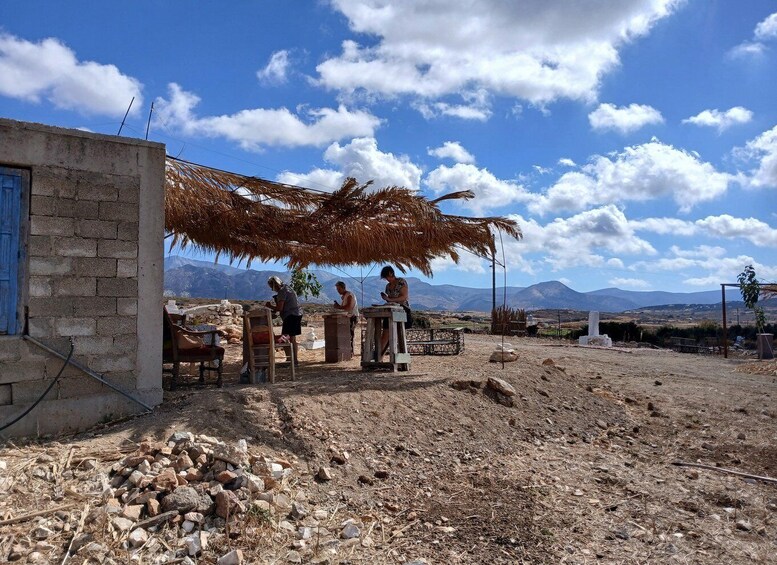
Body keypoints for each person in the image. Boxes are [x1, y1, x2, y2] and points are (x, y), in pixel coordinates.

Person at [266, 276, 302, 366]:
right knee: (292, 338)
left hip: (290, 316)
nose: (272, 289)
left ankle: (290, 360)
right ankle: (294, 361)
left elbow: (280, 308)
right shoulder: (288, 288)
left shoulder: (282, 291)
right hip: (297, 314)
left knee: (285, 338)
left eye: (271, 287)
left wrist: (270, 306)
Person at [379, 265, 412, 355]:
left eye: (387, 276)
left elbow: (404, 297)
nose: (387, 279)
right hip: (391, 310)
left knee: (397, 334)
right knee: (386, 333)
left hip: (402, 310)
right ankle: (379, 355)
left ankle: (399, 356)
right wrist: (386, 298)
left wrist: (389, 299)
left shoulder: (401, 282)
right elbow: (390, 299)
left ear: (391, 273)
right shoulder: (388, 286)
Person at [333, 281, 359, 351]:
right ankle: (347, 351)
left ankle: (350, 351)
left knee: (349, 335)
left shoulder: (349, 295)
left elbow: (348, 307)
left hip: (352, 317)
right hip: (348, 317)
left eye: (339, 289)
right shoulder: (344, 296)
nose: (338, 291)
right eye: (337, 290)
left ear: (343, 288)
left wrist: (338, 307)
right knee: (347, 335)